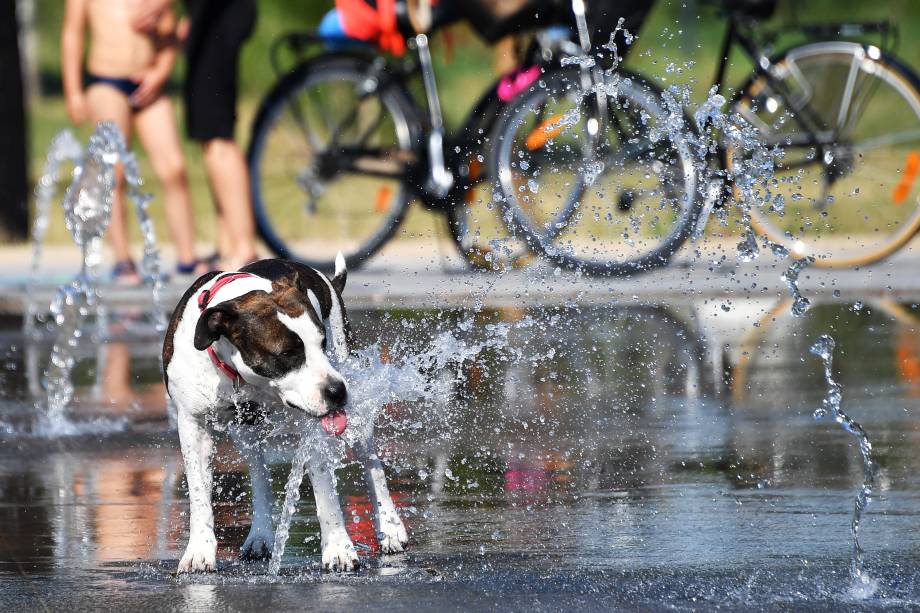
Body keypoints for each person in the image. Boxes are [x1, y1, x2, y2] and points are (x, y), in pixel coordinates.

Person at [61, 0, 205, 282]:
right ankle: (123, 259)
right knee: (114, 172)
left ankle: (188, 257)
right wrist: (73, 90)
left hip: (148, 83)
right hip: (106, 82)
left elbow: (168, 33)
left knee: (174, 168)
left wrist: (161, 72)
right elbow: (73, 33)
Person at [132, 0, 259, 270]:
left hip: (219, 20)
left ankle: (244, 247)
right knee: (210, 133)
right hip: (210, 18)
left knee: (217, 136)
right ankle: (229, 245)